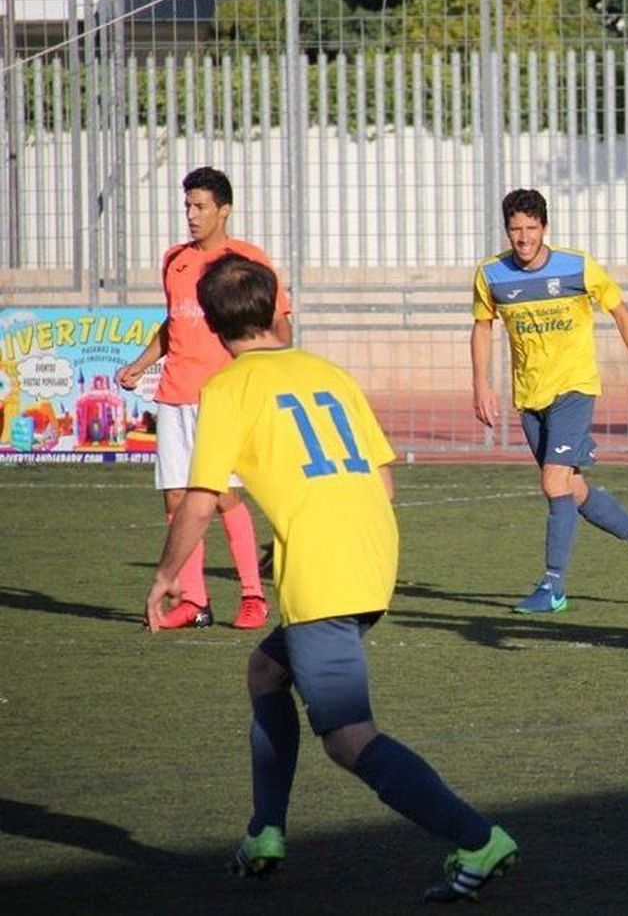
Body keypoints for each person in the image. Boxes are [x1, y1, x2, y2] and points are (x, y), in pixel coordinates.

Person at [144, 253, 518, 903]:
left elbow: (200, 498)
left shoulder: (229, 388)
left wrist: (166, 575)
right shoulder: (327, 371)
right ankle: (265, 830)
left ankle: (478, 837)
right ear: (275, 307)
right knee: (266, 671)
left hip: (326, 569)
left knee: (347, 737)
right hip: (371, 550)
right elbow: (382, 480)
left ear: (206, 320)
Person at [470, 188, 628, 614]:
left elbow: (622, 313)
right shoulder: (491, 276)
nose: (523, 238)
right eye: (515, 229)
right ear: (506, 230)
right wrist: (481, 384)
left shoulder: (577, 266)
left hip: (574, 389)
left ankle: (553, 586)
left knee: (553, 483)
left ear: (545, 228)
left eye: (531, 228)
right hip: (530, 397)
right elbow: (483, 327)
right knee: (571, 488)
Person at [117, 166, 288, 631]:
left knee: (223, 496)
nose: (191, 216)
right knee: (176, 500)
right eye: (187, 206)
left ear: (224, 210)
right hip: (174, 395)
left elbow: (279, 324)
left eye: (200, 207)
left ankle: (253, 595)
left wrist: (275, 370)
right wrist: (140, 364)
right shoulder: (175, 259)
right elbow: (173, 324)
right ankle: (195, 601)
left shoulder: (247, 261)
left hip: (223, 398)